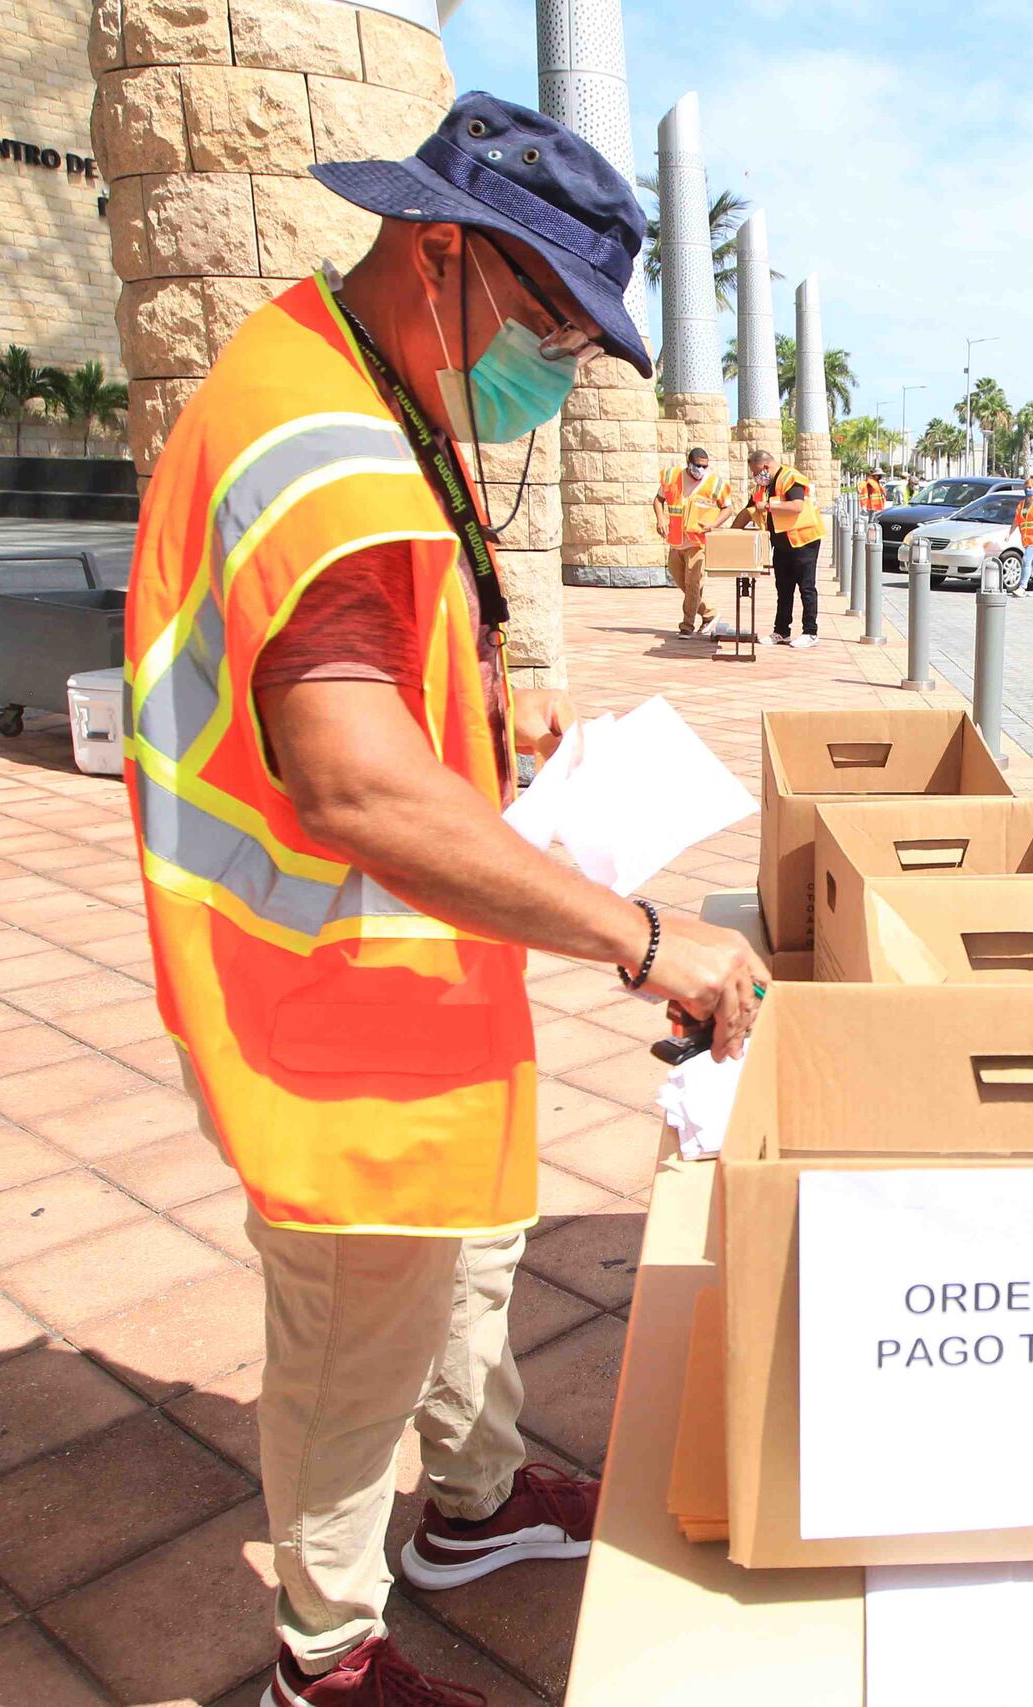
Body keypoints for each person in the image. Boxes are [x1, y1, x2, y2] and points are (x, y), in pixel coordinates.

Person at [123, 94, 770, 1707]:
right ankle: (324, 1650)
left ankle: (474, 1505)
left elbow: (362, 699)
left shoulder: (344, 377)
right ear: (442, 253)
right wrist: (638, 933)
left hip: (409, 974)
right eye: (549, 323)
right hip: (328, 997)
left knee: (472, 1248)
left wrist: (493, 732)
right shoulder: (334, 452)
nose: (554, 368)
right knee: (356, 1337)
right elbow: (348, 785)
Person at [739, 446, 826, 646]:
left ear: (765, 467)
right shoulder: (763, 486)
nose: (755, 477)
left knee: (806, 587)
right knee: (783, 588)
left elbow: (797, 506)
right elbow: (748, 511)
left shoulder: (790, 478)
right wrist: (730, 533)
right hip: (782, 543)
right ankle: (781, 631)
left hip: (804, 540)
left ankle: (810, 632)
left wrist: (768, 506)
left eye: (756, 472)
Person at [654, 445, 733, 636]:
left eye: (705, 466)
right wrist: (661, 519)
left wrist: (714, 524)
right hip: (676, 542)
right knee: (682, 581)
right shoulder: (672, 478)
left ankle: (686, 626)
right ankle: (710, 613)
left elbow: (728, 508)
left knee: (693, 584)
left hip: (697, 543)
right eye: (698, 465)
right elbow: (658, 499)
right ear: (689, 464)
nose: (701, 470)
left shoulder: (715, 484)